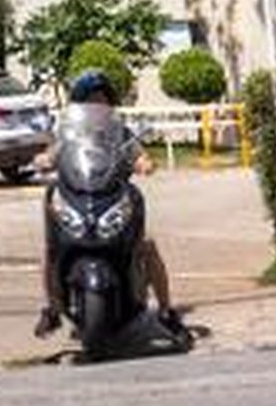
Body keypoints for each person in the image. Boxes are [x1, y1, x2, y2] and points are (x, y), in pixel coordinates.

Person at [35, 69, 186, 340]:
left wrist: (144, 163)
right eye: (90, 99)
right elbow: (52, 153)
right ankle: (52, 310)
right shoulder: (68, 134)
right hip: (78, 197)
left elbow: (139, 155)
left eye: (101, 98)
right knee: (49, 252)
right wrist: (44, 159)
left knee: (147, 247)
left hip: (113, 199)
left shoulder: (121, 133)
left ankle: (166, 311)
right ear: (79, 104)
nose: (96, 103)